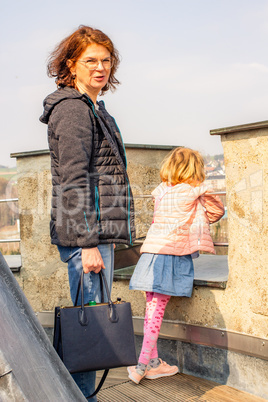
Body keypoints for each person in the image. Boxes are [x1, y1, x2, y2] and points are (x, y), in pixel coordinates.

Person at [40, 25, 135, 400]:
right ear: (71, 65)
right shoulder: (73, 110)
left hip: (96, 236)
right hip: (88, 240)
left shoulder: (94, 108)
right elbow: (73, 180)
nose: (100, 68)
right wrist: (88, 243)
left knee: (90, 328)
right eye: (90, 60)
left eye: (106, 60)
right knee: (88, 333)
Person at [128, 147, 225, 384]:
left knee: (151, 309)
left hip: (151, 254)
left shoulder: (162, 191)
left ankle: (153, 363)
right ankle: (141, 366)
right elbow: (216, 212)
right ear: (195, 170)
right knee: (156, 313)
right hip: (170, 256)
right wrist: (204, 194)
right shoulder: (194, 191)